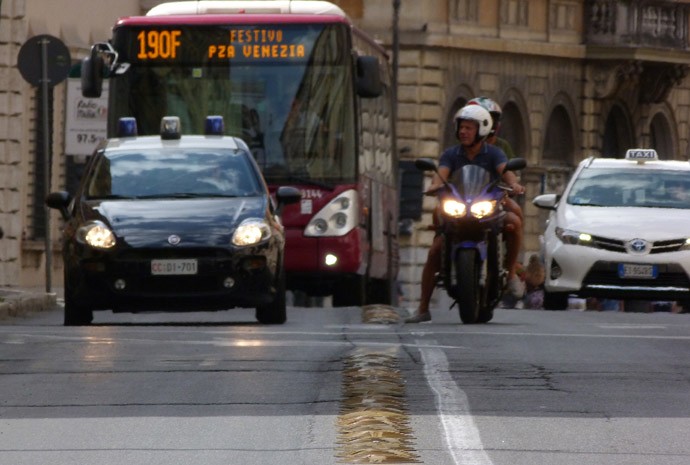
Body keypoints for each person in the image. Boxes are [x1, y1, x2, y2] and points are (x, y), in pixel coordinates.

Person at [406, 104, 526, 323]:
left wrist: (514, 185)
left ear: (481, 130)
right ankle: (423, 308)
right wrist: (434, 186)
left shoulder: (494, 153)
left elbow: (506, 173)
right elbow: (440, 174)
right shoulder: (451, 154)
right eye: (461, 127)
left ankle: (509, 273)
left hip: (487, 210)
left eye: (469, 128)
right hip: (459, 210)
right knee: (435, 250)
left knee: (514, 222)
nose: (463, 131)